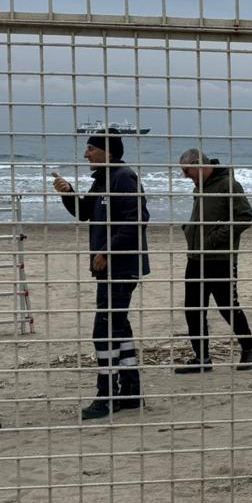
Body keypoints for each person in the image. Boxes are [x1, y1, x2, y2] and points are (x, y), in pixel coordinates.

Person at [53, 129, 151, 420]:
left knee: (104, 331)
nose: (86, 155)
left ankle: (106, 396)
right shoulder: (103, 179)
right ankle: (131, 393)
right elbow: (85, 212)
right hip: (109, 268)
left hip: (122, 267)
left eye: (91, 149)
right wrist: (68, 193)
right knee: (118, 327)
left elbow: (138, 220)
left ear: (108, 152)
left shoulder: (123, 176)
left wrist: (107, 251)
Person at [175, 148, 252, 373]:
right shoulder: (200, 186)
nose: (185, 175)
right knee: (193, 309)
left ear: (198, 163)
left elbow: (245, 217)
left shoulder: (228, 185)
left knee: (227, 306)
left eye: (187, 170)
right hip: (196, 257)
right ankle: (202, 357)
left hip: (220, 259)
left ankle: (249, 348)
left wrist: (213, 238)